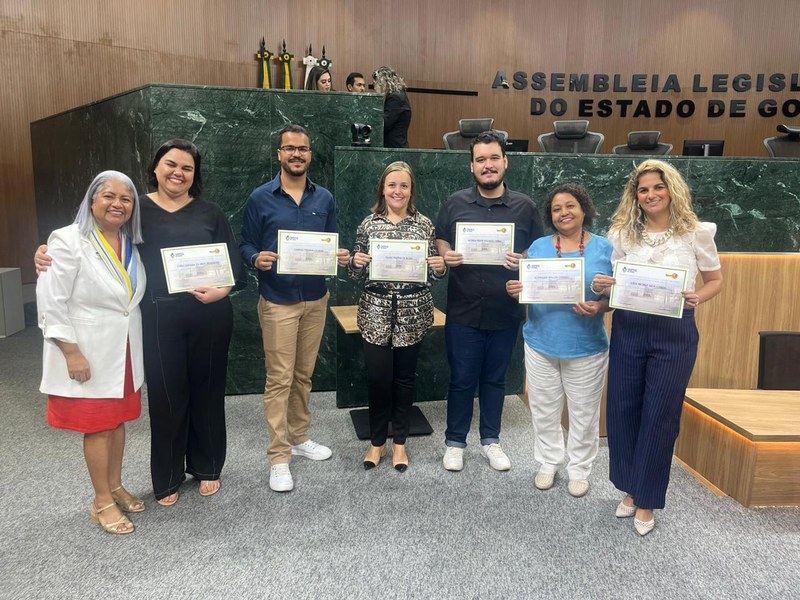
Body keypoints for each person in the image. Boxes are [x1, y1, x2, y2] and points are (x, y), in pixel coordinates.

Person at [37, 139, 240, 507]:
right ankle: (167, 477)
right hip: (157, 316)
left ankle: (208, 466)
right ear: (156, 167)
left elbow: (232, 261)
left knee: (209, 391)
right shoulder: (134, 209)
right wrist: (42, 253)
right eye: (171, 164)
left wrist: (222, 290)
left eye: (187, 168)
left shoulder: (211, 212)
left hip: (209, 314)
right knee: (166, 397)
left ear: (195, 174)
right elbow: (90, 237)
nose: (178, 172)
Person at [592, 159, 723, 536]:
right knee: (623, 408)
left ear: (672, 190)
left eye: (658, 187)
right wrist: (603, 287)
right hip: (629, 328)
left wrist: (697, 296)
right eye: (643, 189)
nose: (651, 195)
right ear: (635, 196)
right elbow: (616, 284)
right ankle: (631, 488)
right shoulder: (622, 234)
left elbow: (715, 280)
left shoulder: (696, 233)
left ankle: (648, 498)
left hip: (674, 332)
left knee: (660, 414)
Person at [240, 124, 350, 492]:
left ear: (310, 155)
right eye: (290, 148)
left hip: (316, 298)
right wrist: (255, 258)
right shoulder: (260, 198)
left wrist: (339, 255)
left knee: (303, 375)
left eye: (303, 149)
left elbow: (331, 242)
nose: (297, 154)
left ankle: (300, 437)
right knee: (279, 379)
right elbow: (246, 244)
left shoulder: (324, 199)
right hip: (278, 301)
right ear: (280, 154)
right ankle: (279, 456)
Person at [37, 171, 146, 534]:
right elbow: (50, 301)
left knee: (117, 422)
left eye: (126, 199)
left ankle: (115, 485)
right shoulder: (67, 240)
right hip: (88, 351)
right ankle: (101, 501)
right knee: (98, 426)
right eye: (109, 196)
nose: (118, 204)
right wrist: (71, 352)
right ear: (92, 200)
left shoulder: (128, 242)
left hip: (123, 351)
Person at [435, 130, 543, 472]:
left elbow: (538, 250)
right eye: (481, 159)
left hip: (505, 309)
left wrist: (523, 259)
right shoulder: (455, 203)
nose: (488, 165)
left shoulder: (525, 207)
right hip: (463, 308)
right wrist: (447, 254)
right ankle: (455, 442)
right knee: (461, 379)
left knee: (495, 379)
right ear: (472, 166)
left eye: (494, 158)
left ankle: (491, 441)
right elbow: (441, 238)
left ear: (505, 162)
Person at [505, 184, 612, 498]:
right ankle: (548, 461)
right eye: (556, 209)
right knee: (544, 409)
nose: (563, 213)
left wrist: (600, 305)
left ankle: (579, 468)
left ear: (583, 209)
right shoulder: (538, 247)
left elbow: (617, 296)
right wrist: (516, 290)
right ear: (550, 215)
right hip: (540, 343)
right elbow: (526, 286)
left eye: (570, 206)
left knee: (584, 413)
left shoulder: (605, 248)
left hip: (586, 346)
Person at [348, 161, 446, 472]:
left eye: (404, 185)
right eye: (392, 185)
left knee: (404, 380)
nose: (397, 191)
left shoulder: (424, 225)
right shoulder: (368, 224)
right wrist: (355, 263)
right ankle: (377, 442)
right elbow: (354, 272)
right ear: (383, 189)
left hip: (412, 312)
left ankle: (400, 443)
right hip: (375, 312)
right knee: (378, 380)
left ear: (411, 190)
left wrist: (440, 268)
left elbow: (433, 273)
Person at [372, 66, 412, 148]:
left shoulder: (395, 98)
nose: (375, 88)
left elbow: (384, 124)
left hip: (394, 148)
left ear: (382, 82)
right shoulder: (399, 96)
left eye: (375, 84)